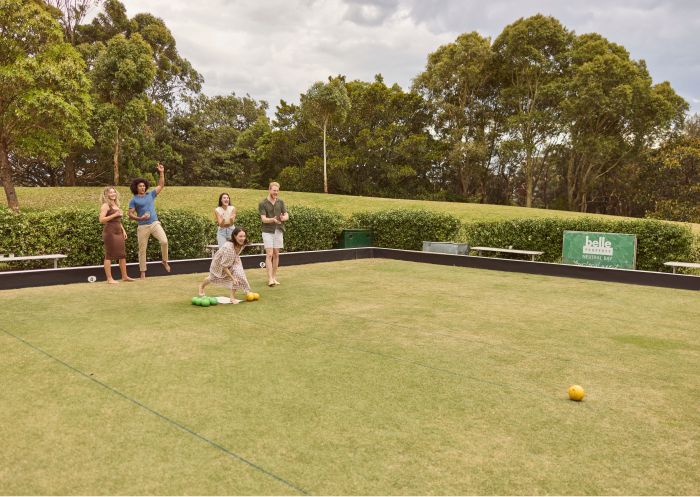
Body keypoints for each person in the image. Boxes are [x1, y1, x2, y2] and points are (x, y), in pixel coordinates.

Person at [128, 162, 170, 279]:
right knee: (142, 250)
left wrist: (161, 172)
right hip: (142, 226)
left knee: (164, 241)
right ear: (136, 187)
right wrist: (139, 218)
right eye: (140, 186)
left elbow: (161, 185)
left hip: (154, 223)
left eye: (143, 186)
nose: (142, 187)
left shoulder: (150, 195)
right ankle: (143, 272)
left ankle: (164, 261)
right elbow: (130, 214)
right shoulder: (134, 200)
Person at [198, 227, 253, 304]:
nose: (243, 238)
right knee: (212, 278)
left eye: (244, 236)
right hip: (219, 263)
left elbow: (236, 254)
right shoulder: (229, 248)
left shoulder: (242, 243)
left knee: (239, 274)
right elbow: (224, 266)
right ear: (234, 236)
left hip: (234, 259)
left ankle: (233, 297)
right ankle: (201, 286)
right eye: (240, 236)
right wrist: (232, 278)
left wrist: (235, 277)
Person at [99, 186, 134, 284]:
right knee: (109, 255)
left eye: (114, 192)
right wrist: (114, 214)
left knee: (122, 255)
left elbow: (118, 220)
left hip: (118, 232)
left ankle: (124, 276)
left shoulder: (116, 204)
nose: (113, 194)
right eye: (110, 192)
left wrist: (123, 230)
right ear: (106, 194)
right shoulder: (105, 205)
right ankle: (109, 279)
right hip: (110, 232)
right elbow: (101, 220)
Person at [258, 181, 289, 287]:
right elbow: (263, 219)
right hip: (267, 231)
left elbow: (286, 215)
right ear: (269, 190)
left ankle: (274, 277)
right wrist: (273, 219)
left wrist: (283, 218)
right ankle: (270, 279)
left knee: (276, 253)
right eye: (274, 190)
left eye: (277, 190)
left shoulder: (281, 202)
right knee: (269, 254)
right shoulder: (263, 203)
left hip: (278, 230)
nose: (276, 192)